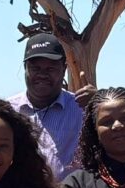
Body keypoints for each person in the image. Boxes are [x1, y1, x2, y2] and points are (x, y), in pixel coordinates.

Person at [12, 33, 87, 178]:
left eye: (50, 69)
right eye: (35, 68)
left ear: (64, 70)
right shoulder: (7, 111)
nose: (42, 75)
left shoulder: (81, 109)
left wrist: (99, 102)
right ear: (25, 68)